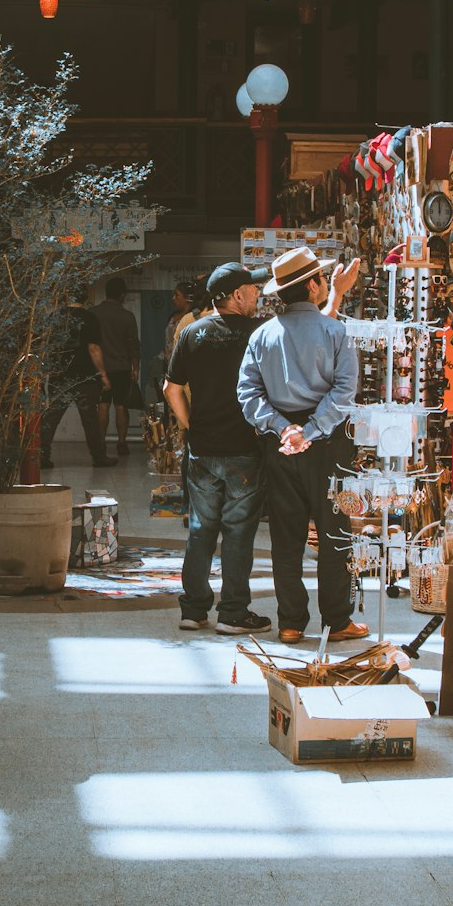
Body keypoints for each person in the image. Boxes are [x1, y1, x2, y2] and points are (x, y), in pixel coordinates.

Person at [237, 246, 365, 646]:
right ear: (312, 285)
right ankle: (337, 620)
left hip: (281, 445)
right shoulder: (335, 332)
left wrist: (283, 429)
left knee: (286, 535)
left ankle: (291, 622)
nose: (325, 283)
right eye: (322, 279)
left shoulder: (262, 335)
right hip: (326, 443)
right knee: (334, 532)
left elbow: (247, 393)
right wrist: (309, 431)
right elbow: (344, 392)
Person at [164, 263, 270, 634]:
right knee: (239, 532)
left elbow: (171, 388)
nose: (257, 294)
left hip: (203, 449)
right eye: (252, 289)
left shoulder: (191, 333)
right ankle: (233, 613)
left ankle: (193, 610)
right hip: (245, 448)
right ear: (237, 295)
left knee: (200, 529)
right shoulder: (259, 334)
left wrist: (191, 425)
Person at [41, 284, 118, 470]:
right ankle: (98, 457)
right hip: (85, 376)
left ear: (67, 297)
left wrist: (45, 370)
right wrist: (103, 374)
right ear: (84, 298)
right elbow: (93, 348)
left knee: (51, 418)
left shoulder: (55, 317)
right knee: (90, 418)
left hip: (60, 376)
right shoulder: (90, 318)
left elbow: (46, 346)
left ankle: (41, 456)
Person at [93, 277, 140, 458]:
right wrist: (135, 367)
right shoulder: (127, 316)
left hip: (100, 368)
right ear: (122, 295)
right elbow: (133, 345)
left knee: (102, 405)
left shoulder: (94, 313)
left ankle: (101, 443)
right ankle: (122, 443)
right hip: (122, 367)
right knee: (121, 406)